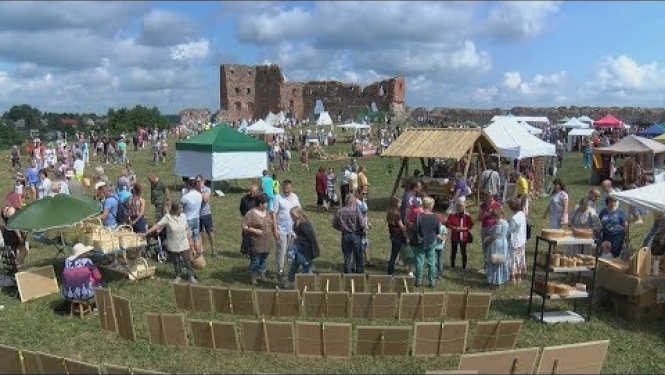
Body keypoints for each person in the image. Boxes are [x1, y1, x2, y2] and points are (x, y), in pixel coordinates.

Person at [142, 202, 197, 283]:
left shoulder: (183, 216)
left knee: (187, 259)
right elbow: (158, 225)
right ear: (175, 209)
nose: (182, 209)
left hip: (183, 241)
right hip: (173, 242)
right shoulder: (167, 217)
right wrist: (146, 233)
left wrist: (190, 240)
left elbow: (186, 229)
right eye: (180, 208)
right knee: (176, 260)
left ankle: (191, 276)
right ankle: (178, 276)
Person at [272, 180, 301, 282]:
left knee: (292, 251)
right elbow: (274, 214)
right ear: (282, 188)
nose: (287, 191)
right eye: (285, 189)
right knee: (281, 251)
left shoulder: (295, 197)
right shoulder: (278, 197)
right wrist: (275, 229)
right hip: (282, 229)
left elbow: (299, 211)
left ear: (291, 188)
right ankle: (279, 271)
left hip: (293, 229)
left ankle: (291, 270)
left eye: (289, 189)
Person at [242, 193, 274, 285]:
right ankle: (253, 277)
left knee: (264, 260)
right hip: (256, 242)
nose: (267, 204)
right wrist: (254, 230)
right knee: (256, 260)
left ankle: (262, 275)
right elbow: (244, 226)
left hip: (266, 242)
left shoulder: (266, 212)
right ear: (260, 203)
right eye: (266, 203)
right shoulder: (251, 213)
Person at [286, 207, 320, 288]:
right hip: (299, 250)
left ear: (297, 215)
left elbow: (311, 239)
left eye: (292, 215)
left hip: (306, 251)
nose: (291, 217)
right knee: (294, 267)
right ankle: (289, 283)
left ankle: (312, 284)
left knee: (306, 268)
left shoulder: (305, 225)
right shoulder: (296, 224)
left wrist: (313, 253)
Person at [332, 194, 367, 274]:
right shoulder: (356, 210)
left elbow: (334, 224)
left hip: (345, 235)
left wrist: (341, 228)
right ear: (351, 201)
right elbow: (362, 224)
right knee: (358, 257)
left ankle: (348, 276)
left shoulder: (340, 211)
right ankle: (359, 276)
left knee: (347, 257)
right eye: (354, 200)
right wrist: (365, 228)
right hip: (356, 235)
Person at [412, 197, 440, 288]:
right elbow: (437, 230)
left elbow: (415, 229)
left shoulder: (419, 216)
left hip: (420, 241)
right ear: (431, 205)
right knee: (431, 263)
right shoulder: (435, 216)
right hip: (431, 241)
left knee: (419, 262)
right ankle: (432, 282)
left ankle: (418, 281)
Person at [485, 208, 510, 288]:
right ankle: (501, 280)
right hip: (504, 242)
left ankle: (495, 282)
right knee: (501, 261)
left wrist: (487, 241)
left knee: (495, 261)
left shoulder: (499, 223)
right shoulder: (506, 222)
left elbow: (495, 236)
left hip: (497, 244)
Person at [446, 201, 474, 269]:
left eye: (462, 206)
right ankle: (452, 266)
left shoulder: (467, 215)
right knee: (453, 251)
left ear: (465, 207)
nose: (460, 207)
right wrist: (454, 228)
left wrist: (463, 229)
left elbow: (470, 225)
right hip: (455, 236)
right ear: (457, 207)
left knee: (463, 252)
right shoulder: (453, 215)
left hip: (464, 236)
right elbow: (447, 224)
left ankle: (464, 267)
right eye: (459, 206)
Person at [479, 192, 502, 273]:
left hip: (494, 228)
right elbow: (479, 218)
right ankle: (486, 265)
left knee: (493, 247)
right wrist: (484, 215)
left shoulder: (497, 205)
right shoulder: (483, 205)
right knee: (485, 247)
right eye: (488, 197)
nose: (490, 199)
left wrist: (493, 215)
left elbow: (501, 216)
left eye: (491, 197)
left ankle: (492, 266)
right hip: (485, 228)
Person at [386, 196, 408, 276]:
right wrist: (406, 235)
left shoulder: (390, 213)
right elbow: (402, 227)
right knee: (394, 255)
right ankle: (390, 272)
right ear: (395, 204)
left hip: (393, 236)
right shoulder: (397, 215)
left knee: (393, 254)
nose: (401, 204)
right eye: (399, 203)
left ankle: (391, 270)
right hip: (398, 237)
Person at [181, 178, 203, 256]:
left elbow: (180, 209)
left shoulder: (186, 197)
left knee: (188, 239)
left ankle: (191, 255)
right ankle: (199, 254)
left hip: (188, 219)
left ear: (189, 185)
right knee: (196, 238)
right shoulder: (200, 195)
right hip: (196, 218)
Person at [507, 199, 527, 285]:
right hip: (522, 240)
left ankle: (513, 278)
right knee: (520, 258)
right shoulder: (522, 214)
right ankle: (519, 276)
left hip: (515, 242)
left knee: (513, 259)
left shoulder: (514, 218)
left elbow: (510, 230)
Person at [197, 177, 216, 257]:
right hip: (197, 214)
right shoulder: (194, 190)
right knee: (200, 233)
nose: (198, 183)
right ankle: (202, 249)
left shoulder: (207, 189)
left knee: (210, 232)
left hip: (206, 214)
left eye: (199, 181)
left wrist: (200, 190)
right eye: (197, 181)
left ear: (203, 181)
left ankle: (213, 249)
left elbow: (205, 199)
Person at [239, 185, 259, 256]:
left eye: (254, 192)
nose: (252, 193)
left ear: (257, 192)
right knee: (246, 236)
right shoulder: (244, 199)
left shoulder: (259, 199)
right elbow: (241, 209)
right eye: (251, 191)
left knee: (255, 236)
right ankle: (244, 251)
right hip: (247, 220)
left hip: (257, 220)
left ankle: (253, 251)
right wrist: (246, 215)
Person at [434, 213, 448, 280]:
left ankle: (439, 274)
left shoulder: (444, 228)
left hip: (440, 247)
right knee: (434, 261)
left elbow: (444, 239)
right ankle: (434, 273)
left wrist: (438, 237)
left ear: (441, 221)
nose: (437, 223)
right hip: (433, 247)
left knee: (440, 261)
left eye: (438, 222)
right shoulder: (433, 227)